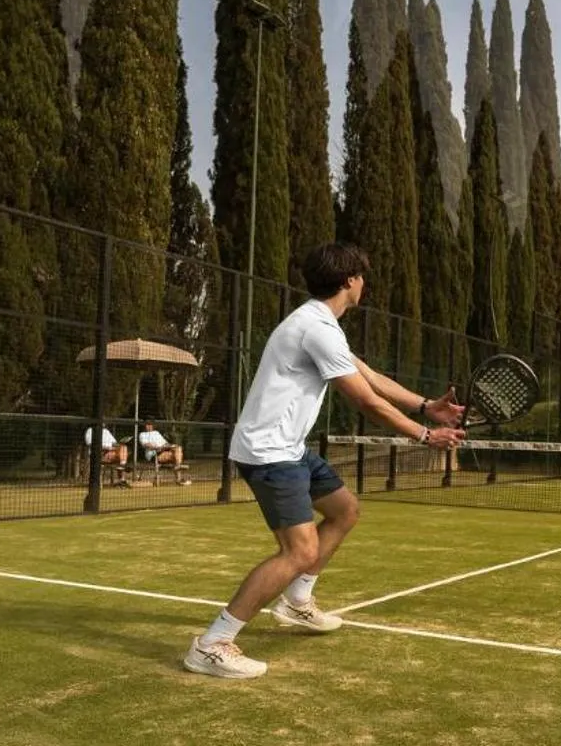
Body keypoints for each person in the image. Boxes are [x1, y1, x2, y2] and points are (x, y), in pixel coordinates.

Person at [185, 242, 466, 679]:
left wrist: (426, 405)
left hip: (290, 449)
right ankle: (212, 643)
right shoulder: (314, 328)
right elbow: (365, 400)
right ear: (350, 281)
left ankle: (297, 603)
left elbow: (369, 376)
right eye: (362, 277)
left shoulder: (322, 325)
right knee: (299, 551)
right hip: (268, 452)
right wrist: (426, 435)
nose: (364, 284)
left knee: (345, 510)